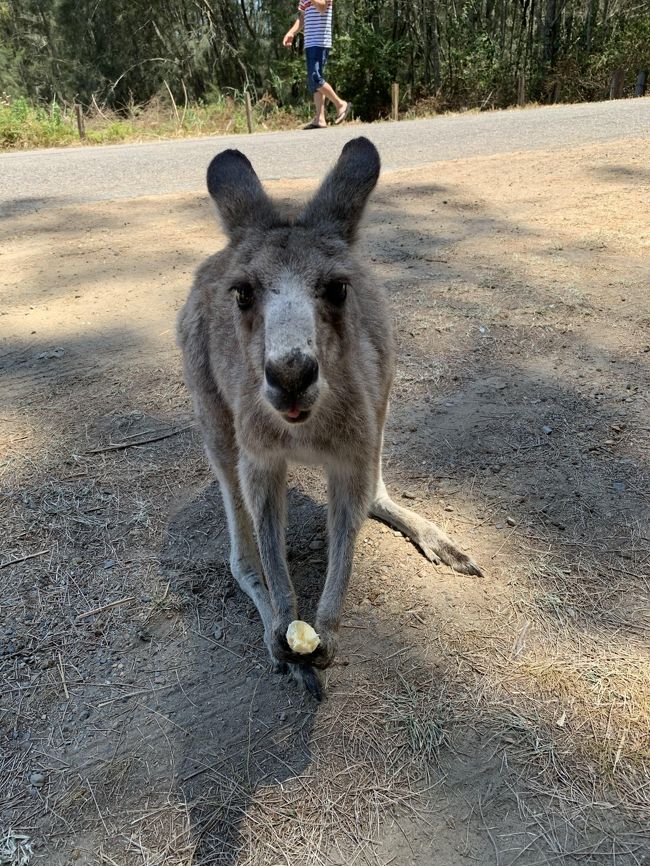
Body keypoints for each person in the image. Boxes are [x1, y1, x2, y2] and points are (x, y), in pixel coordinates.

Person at [283, 0, 352, 129]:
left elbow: (322, 7)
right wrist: (291, 32)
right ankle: (320, 118)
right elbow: (302, 17)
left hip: (320, 42)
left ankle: (340, 104)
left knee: (315, 78)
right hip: (310, 43)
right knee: (314, 82)